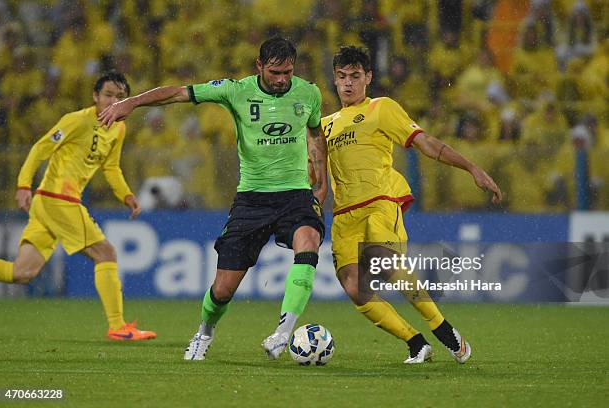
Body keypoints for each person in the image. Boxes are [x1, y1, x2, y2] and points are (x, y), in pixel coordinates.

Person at [99, 37, 328, 361]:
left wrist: (322, 183)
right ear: (259, 66)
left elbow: (316, 135)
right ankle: (204, 332)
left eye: (287, 72)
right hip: (252, 200)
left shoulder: (308, 93)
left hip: (295, 194)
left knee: (309, 240)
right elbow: (179, 93)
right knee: (222, 289)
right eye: (275, 72)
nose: (281, 80)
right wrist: (131, 103)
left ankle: (282, 334)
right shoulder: (235, 91)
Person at [321, 46, 502, 364]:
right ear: (334, 80)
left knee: (382, 261)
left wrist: (472, 167)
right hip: (344, 214)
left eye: (355, 76)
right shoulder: (324, 126)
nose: (347, 83)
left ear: (368, 78)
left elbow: (426, 143)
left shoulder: (381, 108)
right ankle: (415, 342)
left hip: (380, 200)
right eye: (341, 77)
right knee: (354, 287)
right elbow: (315, 173)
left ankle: (441, 327)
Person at [0, 72, 156, 341]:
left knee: (22, 272)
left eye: (120, 97)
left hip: (48, 204)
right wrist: (23, 185)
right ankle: (118, 326)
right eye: (108, 95)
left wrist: (126, 195)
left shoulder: (118, 127)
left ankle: (118, 326)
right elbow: (40, 149)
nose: (113, 101)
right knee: (106, 253)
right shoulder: (77, 120)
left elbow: (111, 166)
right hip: (58, 199)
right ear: (95, 96)